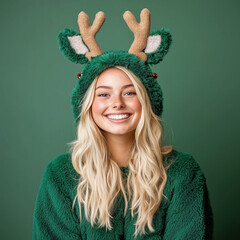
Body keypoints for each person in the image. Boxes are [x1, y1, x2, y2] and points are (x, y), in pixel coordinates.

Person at [32, 9, 213, 240]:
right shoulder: (60, 176)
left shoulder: (183, 172)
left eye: (129, 93)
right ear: (87, 105)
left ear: (147, 102)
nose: (117, 104)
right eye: (104, 95)